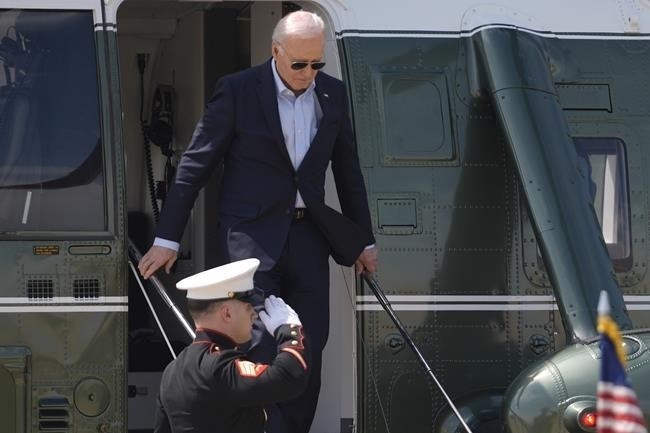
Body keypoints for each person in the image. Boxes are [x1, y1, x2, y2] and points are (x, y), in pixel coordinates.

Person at [139, 10, 378, 433]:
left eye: (316, 64)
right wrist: (167, 239)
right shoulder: (238, 91)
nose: (308, 74)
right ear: (275, 52)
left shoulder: (333, 95)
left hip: (309, 238)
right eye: (299, 64)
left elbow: (348, 170)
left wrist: (364, 241)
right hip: (249, 239)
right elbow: (195, 165)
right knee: (261, 343)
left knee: (310, 345)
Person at [154, 258, 310, 433]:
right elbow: (288, 377)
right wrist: (289, 331)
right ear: (227, 313)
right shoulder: (219, 366)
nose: (254, 314)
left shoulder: (172, 370)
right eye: (248, 307)